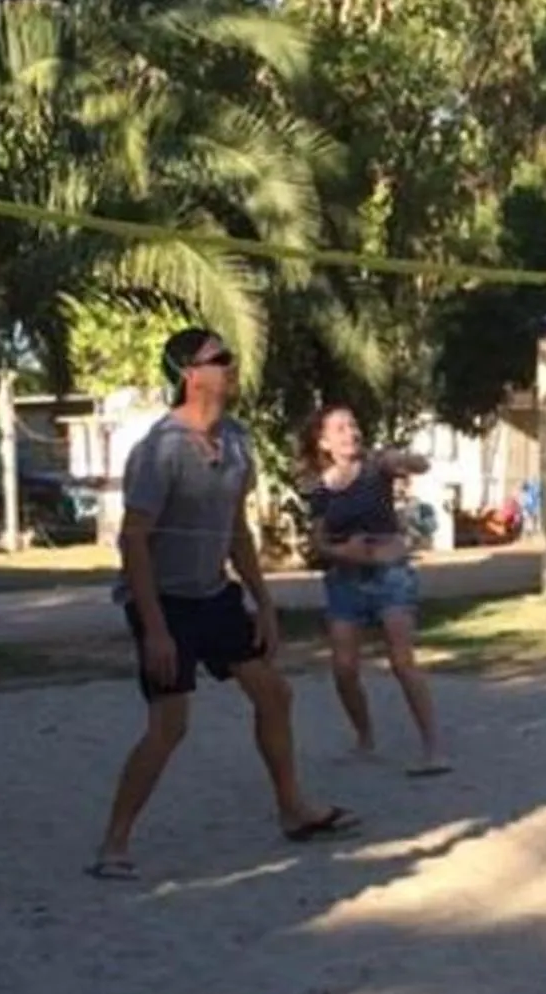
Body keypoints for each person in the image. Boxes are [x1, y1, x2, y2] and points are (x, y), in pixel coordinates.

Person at [89, 328, 356, 880]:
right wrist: (156, 631)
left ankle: (292, 810)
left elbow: (237, 530)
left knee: (275, 695)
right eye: (221, 359)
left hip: (215, 596)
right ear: (191, 374)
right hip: (163, 603)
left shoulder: (236, 441)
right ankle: (114, 843)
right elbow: (133, 540)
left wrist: (263, 600)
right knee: (169, 727)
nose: (232, 366)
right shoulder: (159, 450)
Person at [299, 404, 449, 775]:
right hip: (345, 581)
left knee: (402, 661)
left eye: (353, 424)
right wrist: (340, 551)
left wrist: (407, 459)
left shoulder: (376, 466)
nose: (350, 432)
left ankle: (433, 747)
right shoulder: (319, 489)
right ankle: (364, 738)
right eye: (340, 428)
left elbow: (418, 465)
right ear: (323, 441)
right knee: (344, 668)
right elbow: (316, 543)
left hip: (390, 575)